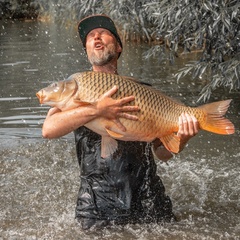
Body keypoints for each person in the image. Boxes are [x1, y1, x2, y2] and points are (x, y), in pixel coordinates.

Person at [42, 14, 200, 229]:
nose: (96, 38)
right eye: (90, 37)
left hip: (148, 196)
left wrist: (184, 137)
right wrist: (98, 109)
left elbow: (163, 154)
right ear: (87, 51)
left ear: (118, 47)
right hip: (96, 201)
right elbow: (49, 130)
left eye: (103, 34)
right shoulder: (75, 88)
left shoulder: (143, 91)